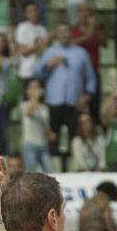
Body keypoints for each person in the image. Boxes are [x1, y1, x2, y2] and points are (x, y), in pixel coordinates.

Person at [37, 23, 96, 160]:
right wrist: (47, 65)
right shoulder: (50, 52)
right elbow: (37, 73)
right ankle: (53, 169)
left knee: (74, 137)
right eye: (60, 31)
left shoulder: (81, 53)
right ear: (56, 34)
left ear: (71, 33)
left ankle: (74, 167)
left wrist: (87, 95)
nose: (63, 34)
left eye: (66, 31)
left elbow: (91, 78)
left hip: (74, 102)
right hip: (54, 101)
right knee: (52, 138)